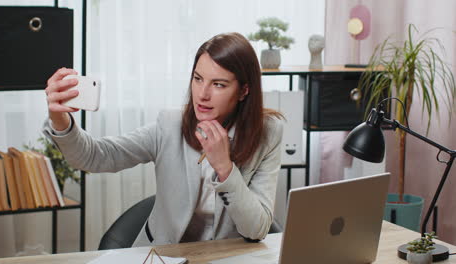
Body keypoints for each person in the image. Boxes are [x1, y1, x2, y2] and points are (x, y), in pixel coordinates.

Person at [43, 32, 284, 246]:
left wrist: (225, 168)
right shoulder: (170, 126)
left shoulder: (268, 134)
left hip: (223, 258)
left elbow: (257, 228)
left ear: (244, 91)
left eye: (218, 84)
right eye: (198, 79)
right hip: (163, 255)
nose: (202, 94)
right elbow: (94, 157)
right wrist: (59, 119)